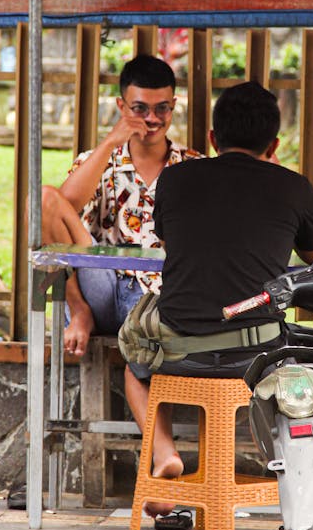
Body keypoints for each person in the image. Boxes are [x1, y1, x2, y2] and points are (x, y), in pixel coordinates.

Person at [119, 80, 313, 518]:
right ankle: (298, 481)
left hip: (179, 352)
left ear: (213, 139)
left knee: (134, 366)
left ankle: (164, 456)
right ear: (273, 144)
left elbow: (167, 236)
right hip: (260, 357)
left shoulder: (175, 180)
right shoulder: (294, 187)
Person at [41, 54, 201, 356]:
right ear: (121, 107)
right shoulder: (100, 159)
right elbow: (60, 207)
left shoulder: (194, 166)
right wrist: (109, 144)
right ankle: (78, 313)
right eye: (139, 108)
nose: (151, 119)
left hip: (159, 297)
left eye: (161, 108)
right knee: (44, 198)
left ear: (174, 106)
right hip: (98, 288)